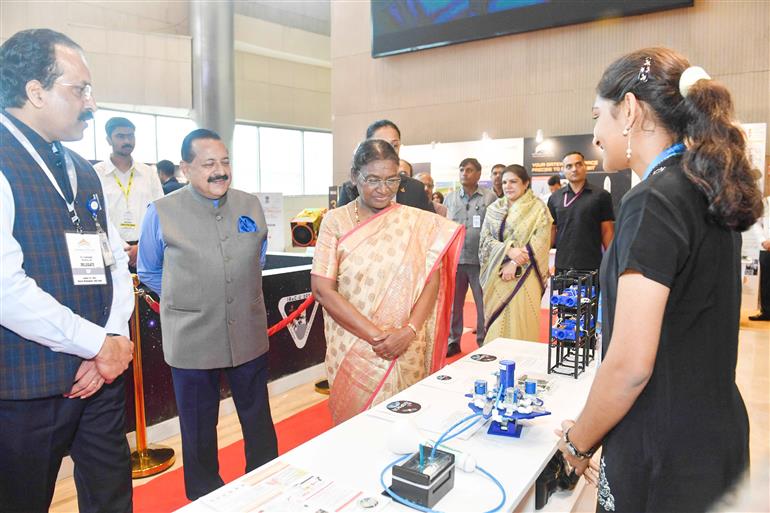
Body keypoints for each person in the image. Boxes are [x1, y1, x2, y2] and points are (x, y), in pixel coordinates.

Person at [556, 47, 761, 513]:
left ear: (628, 111)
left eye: (598, 116)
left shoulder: (653, 201)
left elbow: (630, 366)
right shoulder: (706, 189)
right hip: (714, 436)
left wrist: (577, 440)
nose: (594, 134)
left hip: (664, 452)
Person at [0, 28, 134, 512]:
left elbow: (114, 259)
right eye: (79, 90)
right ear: (35, 92)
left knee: (111, 497)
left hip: (101, 376)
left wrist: (113, 341)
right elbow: (5, 289)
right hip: (27, 390)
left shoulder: (81, 167)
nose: (91, 103)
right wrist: (97, 344)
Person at [137, 128, 278, 500]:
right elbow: (150, 269)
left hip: (247, 333)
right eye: (209, 164)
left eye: (225, 162)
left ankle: (267, 487)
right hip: (192, 338)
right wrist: (191, 298)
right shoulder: (161, 212)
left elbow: (257, 259)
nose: (220, 171)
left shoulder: (250, 204)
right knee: (199, 428)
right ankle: (205, 498)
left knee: (258, 420)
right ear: (185, 168)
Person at [311, 139, 465, 425]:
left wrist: (408, 332)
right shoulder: (335, 222)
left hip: (407, 346)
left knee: (409, 427)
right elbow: (322, 289)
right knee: (357, 431)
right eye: (372, 180)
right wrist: (377, 338)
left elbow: (431, 280)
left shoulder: (417, 222)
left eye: (392, 179)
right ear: (354, 177)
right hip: (355, 347)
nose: (383, 189)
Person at [479, 165, 552, 342]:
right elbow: (484, 241)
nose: (507, 186)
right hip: (497, 275)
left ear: (526, 183)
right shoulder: (494, 208)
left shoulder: (538, 208)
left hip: (527, 275)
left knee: (523, 319)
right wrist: (508, 250)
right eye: (504, 182)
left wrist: (514, 263)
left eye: (513, 181)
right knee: (497, 326)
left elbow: (541, 241)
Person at [443, 157, 498, 356]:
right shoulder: (450, 199)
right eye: (461, 169)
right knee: (454, 304)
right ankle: (453, 341)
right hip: (456, 260)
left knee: (483, 304)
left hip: (480, 261)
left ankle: (484, 341)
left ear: (478, 174)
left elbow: (494, 228)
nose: (464, 173)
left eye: (469, 170)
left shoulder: (489, 198)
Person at [94, 117, 164, 270]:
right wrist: (122, 247)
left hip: (146, 250)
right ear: (108, 140)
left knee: (147, 294)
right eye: (120, 136)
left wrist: (142, 247)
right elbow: (95, 217)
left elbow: (160, 213)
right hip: (110, 251)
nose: (127, 140)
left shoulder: (148, 173)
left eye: (130, 135)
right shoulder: (96, 173)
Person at [337, 120, 434, 213]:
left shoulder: (415, 188)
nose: (388, 151)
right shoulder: (351, 189)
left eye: (394, 145)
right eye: (381, 144)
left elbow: (432, 225)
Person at [548, 151, 614, 276]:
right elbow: (551, 231)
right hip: (563, 266)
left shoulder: (601, 196)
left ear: (585, 167)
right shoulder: (555, 198)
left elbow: (607, 231)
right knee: (562, 296)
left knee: (590, 296)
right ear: (563, 170)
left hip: (591, 265)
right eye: (569, 166)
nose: (574, 169)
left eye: (578, 164)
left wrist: (613, 260)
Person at [749, 195, 770, 320]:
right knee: (766, 281)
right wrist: (763, 241)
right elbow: (756, 223)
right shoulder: (764, 202)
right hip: (766, 248)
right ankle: (767, 312)